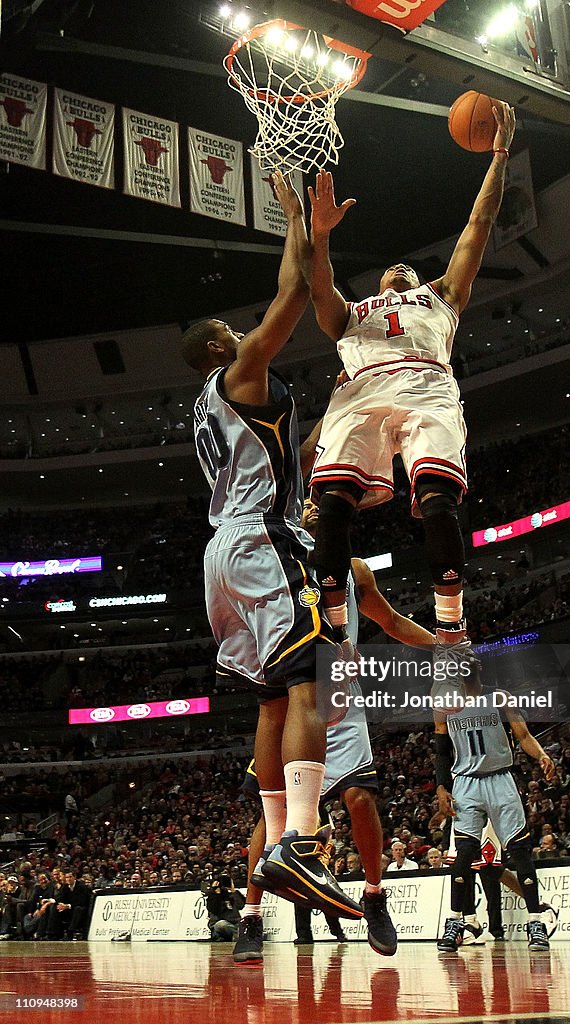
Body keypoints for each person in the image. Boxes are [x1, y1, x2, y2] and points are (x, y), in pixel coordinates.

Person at [180, 172, 361, 924]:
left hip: (223, 554)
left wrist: (293, 222)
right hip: (260, 543)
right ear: (222, 343)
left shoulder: (209, 405)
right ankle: (303, 844)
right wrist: (315, 239)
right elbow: (290, 304)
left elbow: (292, 459)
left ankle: (277, 839)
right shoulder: (241, 371)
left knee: (270, 696)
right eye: (234, 329)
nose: (241, 330)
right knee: (316, 668)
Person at [305, 104, 516, 664]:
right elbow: (317, 285)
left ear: (420, 281)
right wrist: (318, 236)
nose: (400, 270)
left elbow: (478, 226)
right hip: (361, 390)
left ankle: (450, 622)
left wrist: (499, 157)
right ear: (377, 285)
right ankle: (332, 629)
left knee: (438, 500)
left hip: (426, 383)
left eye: (408, 269)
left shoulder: (443, 294)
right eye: (390, 270)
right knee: (331, 506)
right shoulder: (351, 314)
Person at [234, 497, 435, 963]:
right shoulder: (277, 559)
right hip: (291, 695)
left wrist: (450, 645)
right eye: (303, 502)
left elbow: (392, 621)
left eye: (319, 503)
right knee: (273, 819)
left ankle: (374, 894)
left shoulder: (355, 570)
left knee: (361, 798)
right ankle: (251, 916)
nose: (311, 507)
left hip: (339, 694)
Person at [434, 679, 556, 952]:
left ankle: (536, 922)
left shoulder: (500, 698)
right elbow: (441, 750)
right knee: (464, 854)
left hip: (500, 777)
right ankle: (455, 922)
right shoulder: (444, 705)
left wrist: (542, 756)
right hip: (465, 780)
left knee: (520, 850)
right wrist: (442, 786)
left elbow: (523, 737)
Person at [206, 875, 244, 942]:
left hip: (235, 923)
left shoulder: (234, 894)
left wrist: (233, 892)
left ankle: (239, 934)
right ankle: (239, 935)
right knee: (221, 924)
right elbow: (214, 909)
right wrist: (217, 893)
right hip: (221, 923)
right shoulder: (212, 896)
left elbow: (241, 905)